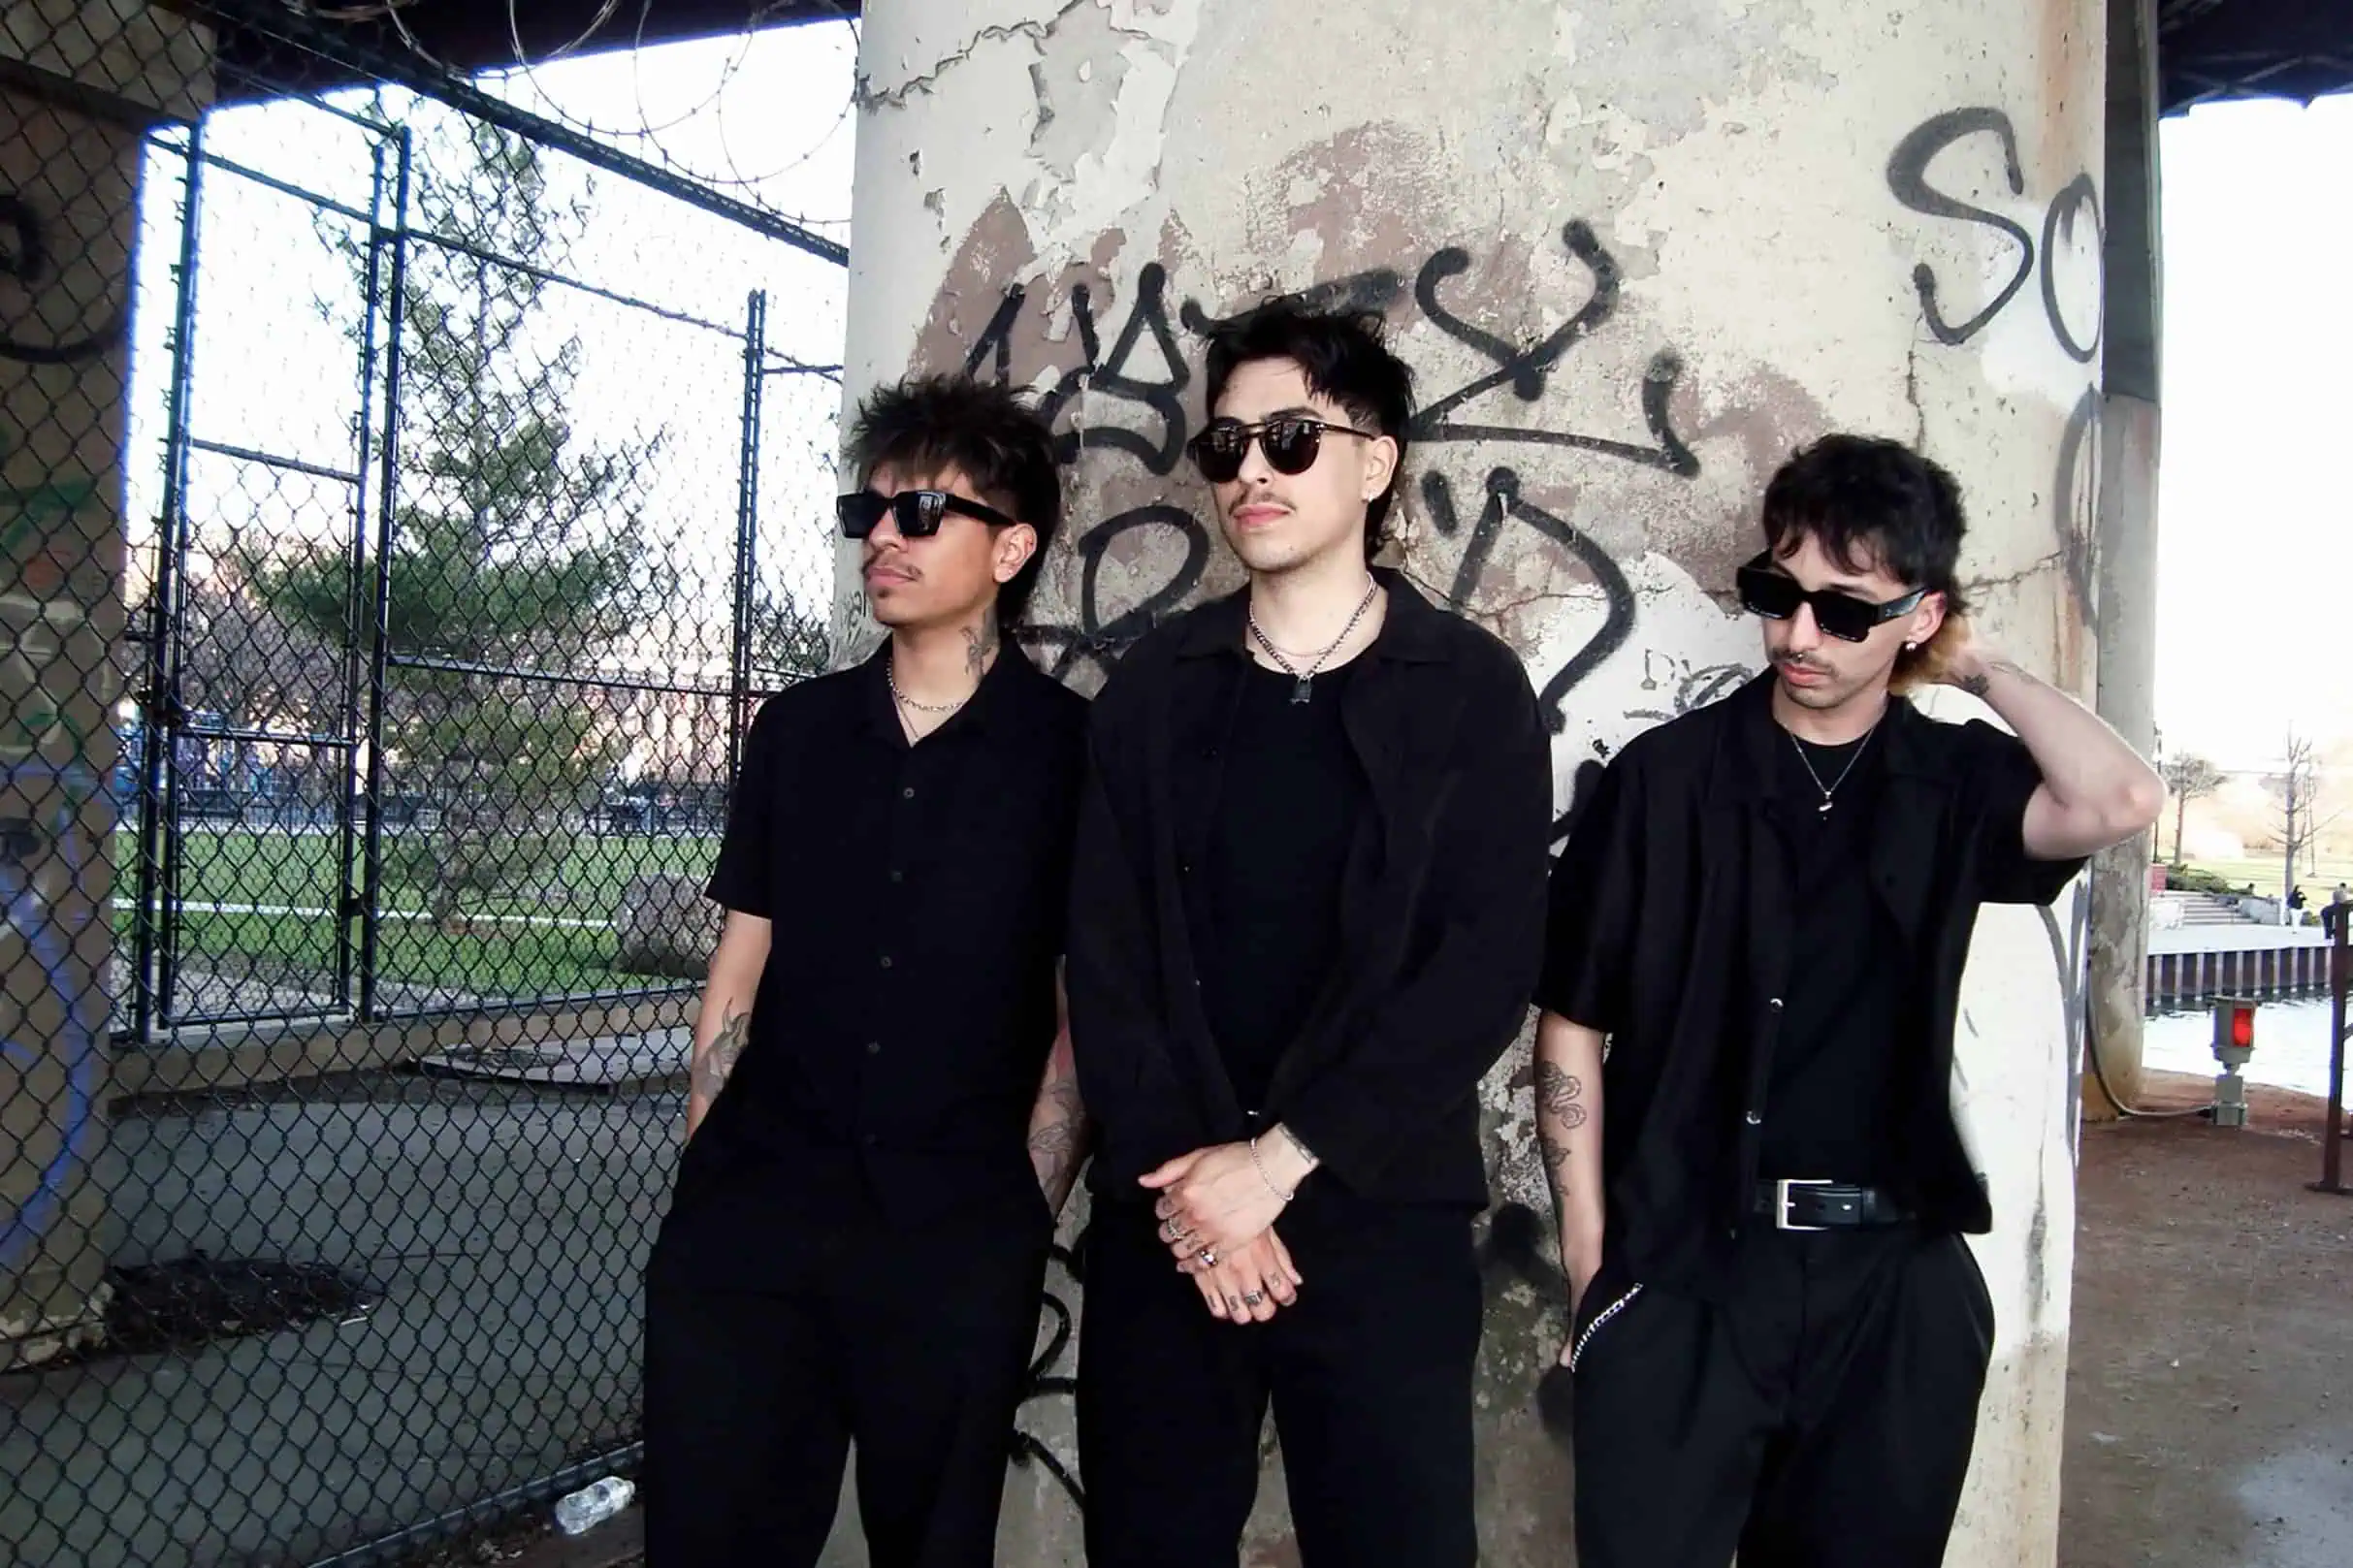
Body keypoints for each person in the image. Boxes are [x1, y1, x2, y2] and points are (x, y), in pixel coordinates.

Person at [1535, 434, 2164, 1568]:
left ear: (1920, 618)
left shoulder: (1949, 782)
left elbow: (2118, 797)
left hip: (1893, 1292)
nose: (1797, 635)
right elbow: (1572, 1024)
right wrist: (1592, 1266)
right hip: (1682, 1276)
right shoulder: (1664, 782)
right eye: (1776, 595)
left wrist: (1974, 666)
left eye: (1845, 610)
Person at [1064, 299, 1552, 1568]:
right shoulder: (1153, 690)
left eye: (1289, 439)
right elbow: (1105, 960)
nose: (1251, 473)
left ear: (1374, 463)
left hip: (1378, 1215)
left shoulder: (1469, 693)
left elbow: (1481, 969)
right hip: (1171, 1217)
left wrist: (1275, 1165)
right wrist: (1198, 1192)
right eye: (1225, 446)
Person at [640, 375, 1090, 1567]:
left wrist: (1020, 1211)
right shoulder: (799, 730)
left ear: (1011, 548)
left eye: (921, 512)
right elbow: (743, 954)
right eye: (868, 512)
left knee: (930, 1544)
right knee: (713, 1535)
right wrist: (706, 1156)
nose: (882, 537)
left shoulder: (1073, 755)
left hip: (955, 1231)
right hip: (754, 1213)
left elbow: (1079, 1007)